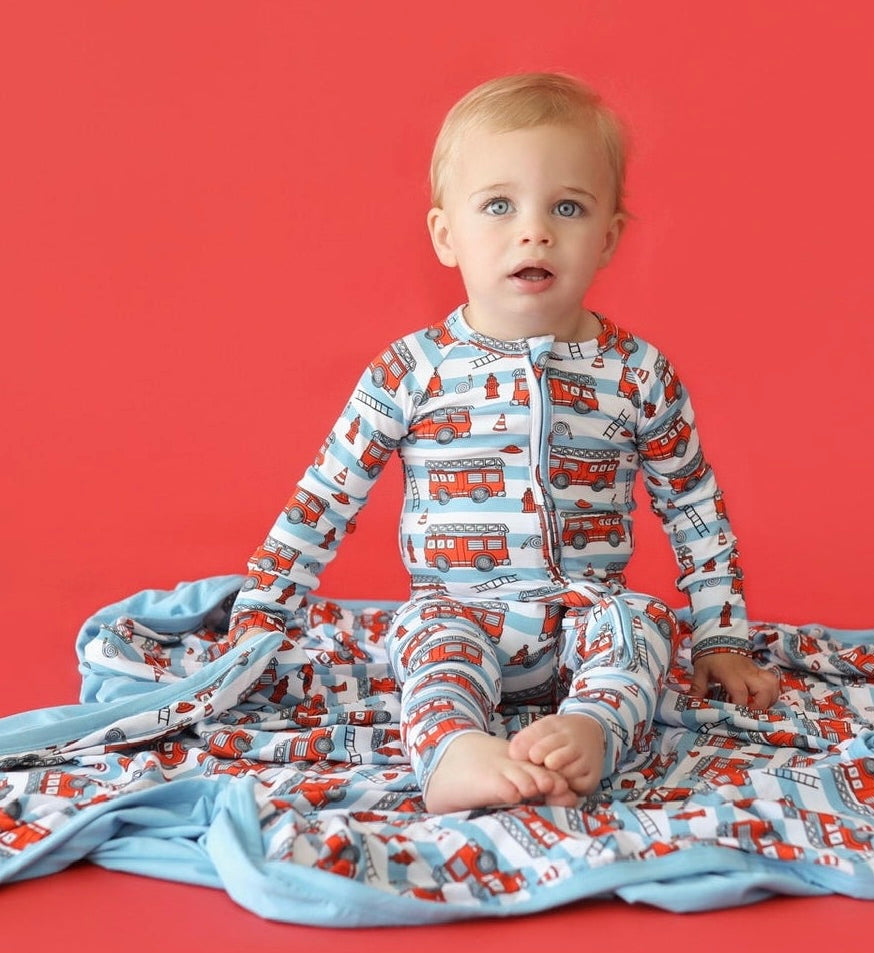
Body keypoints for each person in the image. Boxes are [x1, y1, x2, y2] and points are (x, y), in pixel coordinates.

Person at [226, 72, 779, 813]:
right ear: (445, 236)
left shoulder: (637, 372)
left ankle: (590, 728)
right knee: (425, 643)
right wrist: (260, 620)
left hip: (583, 615)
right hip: (456, 607)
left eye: (567, 207)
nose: (534, 231)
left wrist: (720, 638)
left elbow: (692, 507)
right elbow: (325, 500)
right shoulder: (410, 370)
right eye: (498, 205)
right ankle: (456, 749)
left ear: (609, 238)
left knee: (643, 624)